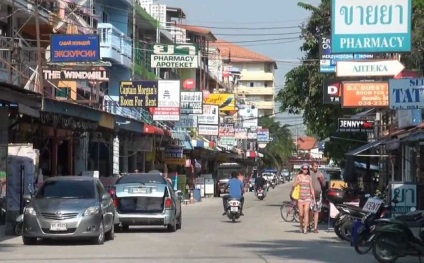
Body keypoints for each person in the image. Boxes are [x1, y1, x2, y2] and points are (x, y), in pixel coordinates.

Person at [293, 163, 315, 234]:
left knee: (306, 212)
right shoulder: (298, 176)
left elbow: (311, 188)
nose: (305, 170)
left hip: (307, 198)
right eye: (304, 168)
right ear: (302, 169)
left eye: (307, 169)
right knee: (301, 214)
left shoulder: (309, 177)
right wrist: (298, 182)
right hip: (300, 198)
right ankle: (301, 226)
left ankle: (305, 228)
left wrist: (313, 198)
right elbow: (293, 185)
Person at [309, 162, 326, 233]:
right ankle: (309, 224)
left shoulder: (320, 173)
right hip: (310, 195)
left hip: (318, 195)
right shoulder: (309, 173)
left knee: (317, 211)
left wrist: (322, 179)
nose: (316, 167)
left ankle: (315, 227)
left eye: (317, 166)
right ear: (312, 166)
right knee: (310, 210)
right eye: (315, 166)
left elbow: (324, 185)